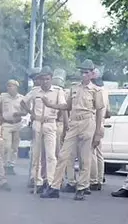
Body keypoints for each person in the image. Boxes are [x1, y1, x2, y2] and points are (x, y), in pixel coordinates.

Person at [40, 59, 104, 201]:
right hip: (74, 123)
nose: (83, 75)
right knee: (63, 155)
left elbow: (99, 111)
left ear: (92, 74)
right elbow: (67, 106)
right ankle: (54, 187)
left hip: (88, 122)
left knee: (84, 158)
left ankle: (82, 187)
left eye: (86, 72)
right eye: (81, 72)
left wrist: (98, 132)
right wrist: (50, 104)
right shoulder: (74, 88)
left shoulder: (96, 90)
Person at [21, 66, 67, 194]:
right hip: (37, 123)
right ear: (39, 80)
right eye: (42, 79)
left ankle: (51, 183)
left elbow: (64, 106)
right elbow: (23, 102)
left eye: (47, 79)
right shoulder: (35, 91)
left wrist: (51, 105)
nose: (45, 82)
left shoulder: (58, 91)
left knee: (50, 155)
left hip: (50, 123)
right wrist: (31, 112)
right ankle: (38, 182)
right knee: (36, 155)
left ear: (51, 79)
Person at [0, 79, 26, 175]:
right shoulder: (2, 97)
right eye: (8, 86)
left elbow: (25, 111)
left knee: (15, 147)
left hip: (17, 124)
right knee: (6, 146)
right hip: (6, 123)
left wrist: (19, 113)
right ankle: (4, 164)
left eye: (12, 86)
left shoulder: (21, 98)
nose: (9, 88)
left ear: (16, 87)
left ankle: (11, 165)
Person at [90, 68, 109, 191]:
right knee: (99, 154)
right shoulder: (105, 92)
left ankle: (93, 180)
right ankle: (100, 178)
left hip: (93, 123)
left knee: (91, 152)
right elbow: (108, 113)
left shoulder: (95, 92)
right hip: (101, 124)